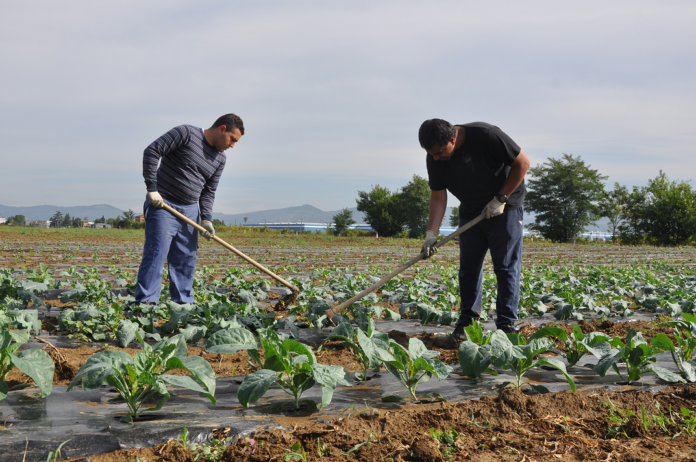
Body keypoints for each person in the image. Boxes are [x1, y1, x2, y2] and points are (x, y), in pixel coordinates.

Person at [418, 119, 530, 340]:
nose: (436, 158)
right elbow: (438, 196)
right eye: (432, 154)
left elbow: (523, 163)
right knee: (468, 269)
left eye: (440, 152)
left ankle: (506, 326)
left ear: (453, 138)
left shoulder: (486, 135)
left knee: (506, 268)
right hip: (471, 212)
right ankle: (467, 324)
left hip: (505, 208)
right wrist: (432, 233)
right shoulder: (434, 156)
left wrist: (500, 198)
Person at [132, 114, 244, 307]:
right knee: (156, 254)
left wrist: (206, 219)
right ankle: (146, 305)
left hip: (190, 210)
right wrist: (152, 188)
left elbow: (209, 191)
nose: (232, 145)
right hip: (163, 204)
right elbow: (152, 151)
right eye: (232, 139)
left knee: (185, 258)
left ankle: (183, 304)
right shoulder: (186, 133)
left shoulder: (220, 159)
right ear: (222, 129)